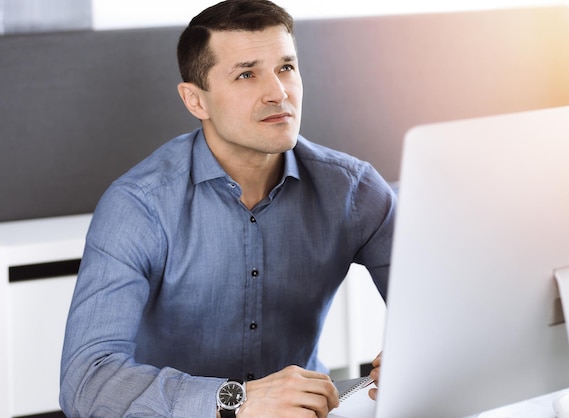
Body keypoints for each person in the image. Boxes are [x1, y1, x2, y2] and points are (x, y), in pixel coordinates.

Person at [60, 0, 395, 417]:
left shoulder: (354, 190)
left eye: (286, 67)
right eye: (246, 74)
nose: (278, 92)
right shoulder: (138, 206)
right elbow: (86, 383)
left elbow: (440, 309)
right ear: (195, 101)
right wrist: (235, 401)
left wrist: (414, 354)